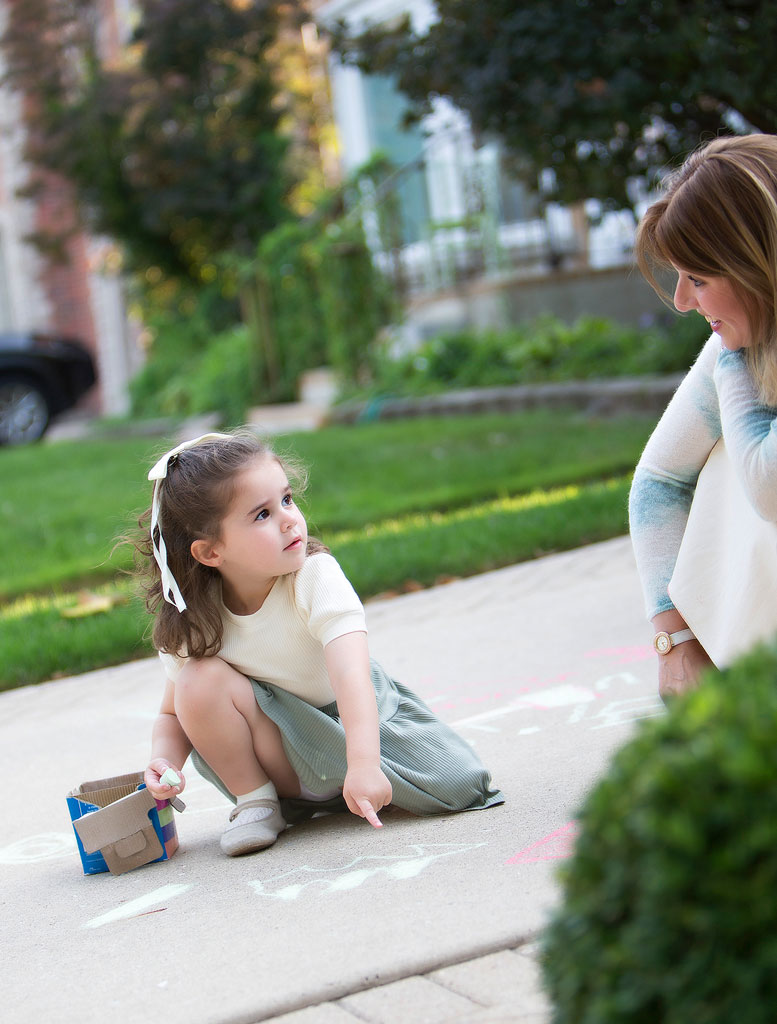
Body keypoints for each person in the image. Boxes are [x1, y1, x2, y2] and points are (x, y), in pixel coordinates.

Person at [137, 430, 504, 856]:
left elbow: (351, 676)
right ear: (210, 552)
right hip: (281, 757)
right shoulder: (195, 617)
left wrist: (364, 764)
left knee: (463, 784)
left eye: (287, 499)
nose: (289, 519)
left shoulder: (314, 577)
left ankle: (352, 785)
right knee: (197, 680)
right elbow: (173, 713)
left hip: (353, 727)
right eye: (262, 514)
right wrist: (164, 762)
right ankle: (256, 802)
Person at [629, 133, 777, 700]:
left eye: (698, 279)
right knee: (711, 459)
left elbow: (768, 485)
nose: (682, 301)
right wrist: (676, 641)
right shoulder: (740, 344)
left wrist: (732, 362)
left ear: (757, 266)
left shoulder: (734, 358)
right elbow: (658, 480)